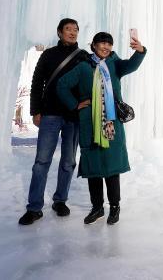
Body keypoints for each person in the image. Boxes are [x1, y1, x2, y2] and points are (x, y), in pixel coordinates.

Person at [57, 31, 146, 225]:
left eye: (109, 44)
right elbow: (62, 85)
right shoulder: (82, 67)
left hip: (111, 123)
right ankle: (97, 208)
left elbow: (132, 65)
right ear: (94, 45)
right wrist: (75, 104)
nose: (105, 47)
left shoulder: (115, 64)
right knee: (94, 167)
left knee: (112, 166)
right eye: (102, 43)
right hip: (90, 123)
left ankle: (115, 207)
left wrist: (140, 51)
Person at [19, 18, 88, 225]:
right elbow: (37, 81)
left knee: (68, 162)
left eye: (75, 29)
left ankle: (60, 200)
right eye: (68, 29)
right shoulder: (49, 55)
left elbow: (91, 82)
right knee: (41, 162)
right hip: (49, 114)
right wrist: (35, 110)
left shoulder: (83, 56)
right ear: (59, 32)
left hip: (73, 116)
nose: (72, 32)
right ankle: (34, 207)